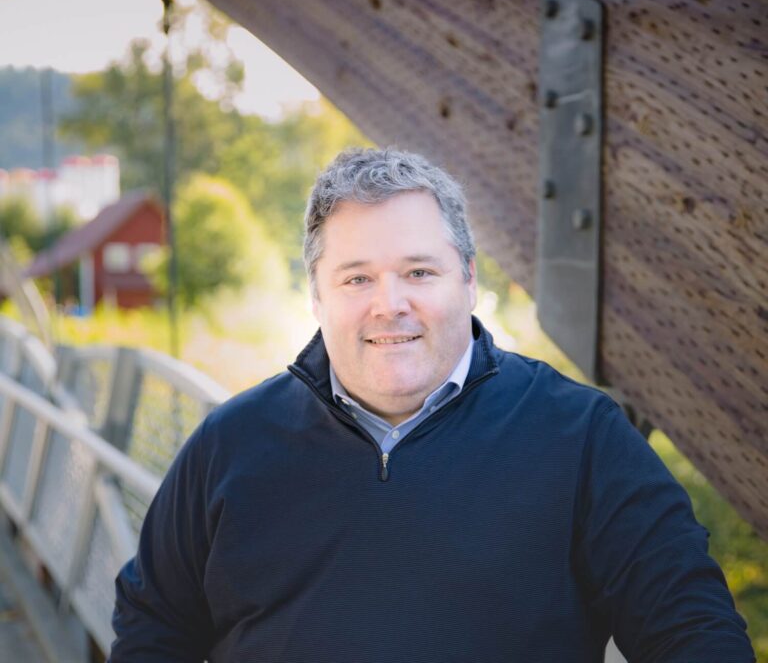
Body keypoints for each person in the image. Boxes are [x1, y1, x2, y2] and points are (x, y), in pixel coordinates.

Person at [110, 148, 755, 662]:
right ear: (316, 296)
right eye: (357, 277)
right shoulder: (230, 444)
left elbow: (689, 628)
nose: (389, 303)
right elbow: (153, 626)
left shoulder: (582, 437)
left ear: (469, 280)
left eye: (419, 272)